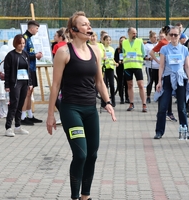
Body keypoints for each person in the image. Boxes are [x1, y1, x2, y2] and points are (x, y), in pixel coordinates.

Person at [46, 11, 116, 200]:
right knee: (81, 155)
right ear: (73, 30)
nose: (89, 27)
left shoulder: (96, 50)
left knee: (92, 155)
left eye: (89, 23)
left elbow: (100, 82)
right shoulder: (64, 52)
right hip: (71, 109)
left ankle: (86, 196)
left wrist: (107, 102)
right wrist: (51, 114)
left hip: (90, 110)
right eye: (84, 24)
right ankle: (75, 197)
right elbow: (55, 85)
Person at [154, 26, 189, 139]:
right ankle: (159, 131)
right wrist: (159, 81)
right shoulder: (165, 49)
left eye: (176, 35)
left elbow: (187, 66)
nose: (173, 37)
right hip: (167, 78)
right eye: (171, 35)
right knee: (163, 106)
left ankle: (185, 131)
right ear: (168, 36)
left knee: (182, 107)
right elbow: (161, 66)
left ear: (180, 36)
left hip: (180, 79)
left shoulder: (184, 49)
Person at [4, 34, 31, 137]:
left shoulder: (25, 54)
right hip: (15, 82)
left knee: (21, 104)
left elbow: (29, 70)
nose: (22, 45)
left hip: (25, 81)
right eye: (20, 43)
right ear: (16, 44)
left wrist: (30, 83)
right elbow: (7, 71)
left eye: (23, 43)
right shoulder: (10, 55)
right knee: (14, 104)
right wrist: (7, 85)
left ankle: (18, 126)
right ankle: (8, 127)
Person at [150, 26, 178, 122]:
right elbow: (151, 52)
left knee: (169, 93)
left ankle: (168, 112)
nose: (173, 35)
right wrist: (158, 61)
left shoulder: (173, 44)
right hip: (163, 71)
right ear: (168, 33)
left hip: (172, 72)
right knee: (162, 92)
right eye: (171, 34)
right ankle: (163, 113)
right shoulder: (163, 43)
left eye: (175, 34)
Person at [21, 20, 43, 126]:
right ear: (31, 28)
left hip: (32, 68)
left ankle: (30, 115)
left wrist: (36, 55)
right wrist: (35, 56)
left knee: (30, 92)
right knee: (26, 93)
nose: (37, 31)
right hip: (27, 69)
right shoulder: (24, 38)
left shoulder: (29, 38)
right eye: (37, 28)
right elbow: (23, 55)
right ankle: (22, 116)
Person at [123, 27, 147, 112]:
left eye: (135, 33)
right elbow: (124, 53)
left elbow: (144, 53)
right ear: (128, 33)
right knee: (129, 85)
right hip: (128, 67)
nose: (135, 35)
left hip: (137, 66)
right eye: (133, 33)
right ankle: (131, 103)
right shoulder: (124, 42)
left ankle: (144, 104)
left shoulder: (139, 42)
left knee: (141, 85)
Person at [52, 27, 68, 125]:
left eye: (55, 35)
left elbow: (55, 59)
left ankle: (63, 114)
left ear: (60, 37)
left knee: (55, 95)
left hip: (60, 72)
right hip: (68, 73)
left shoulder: (57, 46)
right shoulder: (68, 45)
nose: (54, 37)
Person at [102, 35, 118, 107]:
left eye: (109, 40)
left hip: (111, 68)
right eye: (107, 40)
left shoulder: (112, 49)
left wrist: (115, 63)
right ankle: (103, 102)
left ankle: (113, 101)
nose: (108, 41)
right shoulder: (102, 48)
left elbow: (112, 59)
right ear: (104, 41)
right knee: (104, 85)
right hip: (104, 69)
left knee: (112, 85)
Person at [144, 30, 159, 103]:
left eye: (156, 37)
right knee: (150, 81)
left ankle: (157, 96)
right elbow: (144, 57)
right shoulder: (146, 46)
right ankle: (148, 97)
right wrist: (149, 58)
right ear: (150, 38)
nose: (155, 39)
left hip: (158, 67)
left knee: (157, 82)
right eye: (154, 37)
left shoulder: (159, 44)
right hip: (150, 67)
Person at [114, 36, 129, 104]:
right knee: (121, 83)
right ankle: (121, 98)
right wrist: (118, 61)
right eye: (121, 41)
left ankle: (127, 98)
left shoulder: (128, 49)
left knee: (127, 83)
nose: (122, 42)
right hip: (119, 68)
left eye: (123, 40)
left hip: (127, 68)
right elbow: (115, 58)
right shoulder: (117, 50)